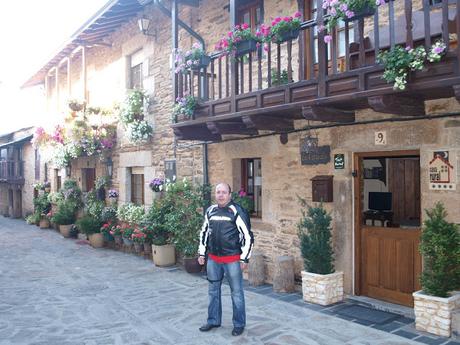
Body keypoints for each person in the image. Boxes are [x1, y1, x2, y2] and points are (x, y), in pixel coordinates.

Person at [198, 182, 254, 336]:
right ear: (215, 194)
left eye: (224, 192)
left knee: (236, 293)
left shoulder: (237, 211)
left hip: (232, 260)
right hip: (213, 260)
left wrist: (244, 259)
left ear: (230, 195)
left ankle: (239, 324)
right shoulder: (210, 211)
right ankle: (213, 320)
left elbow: (248, 237)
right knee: (213, 291)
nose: (220, 195)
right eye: (218, 192)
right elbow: (204, 233)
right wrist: (202, 253)